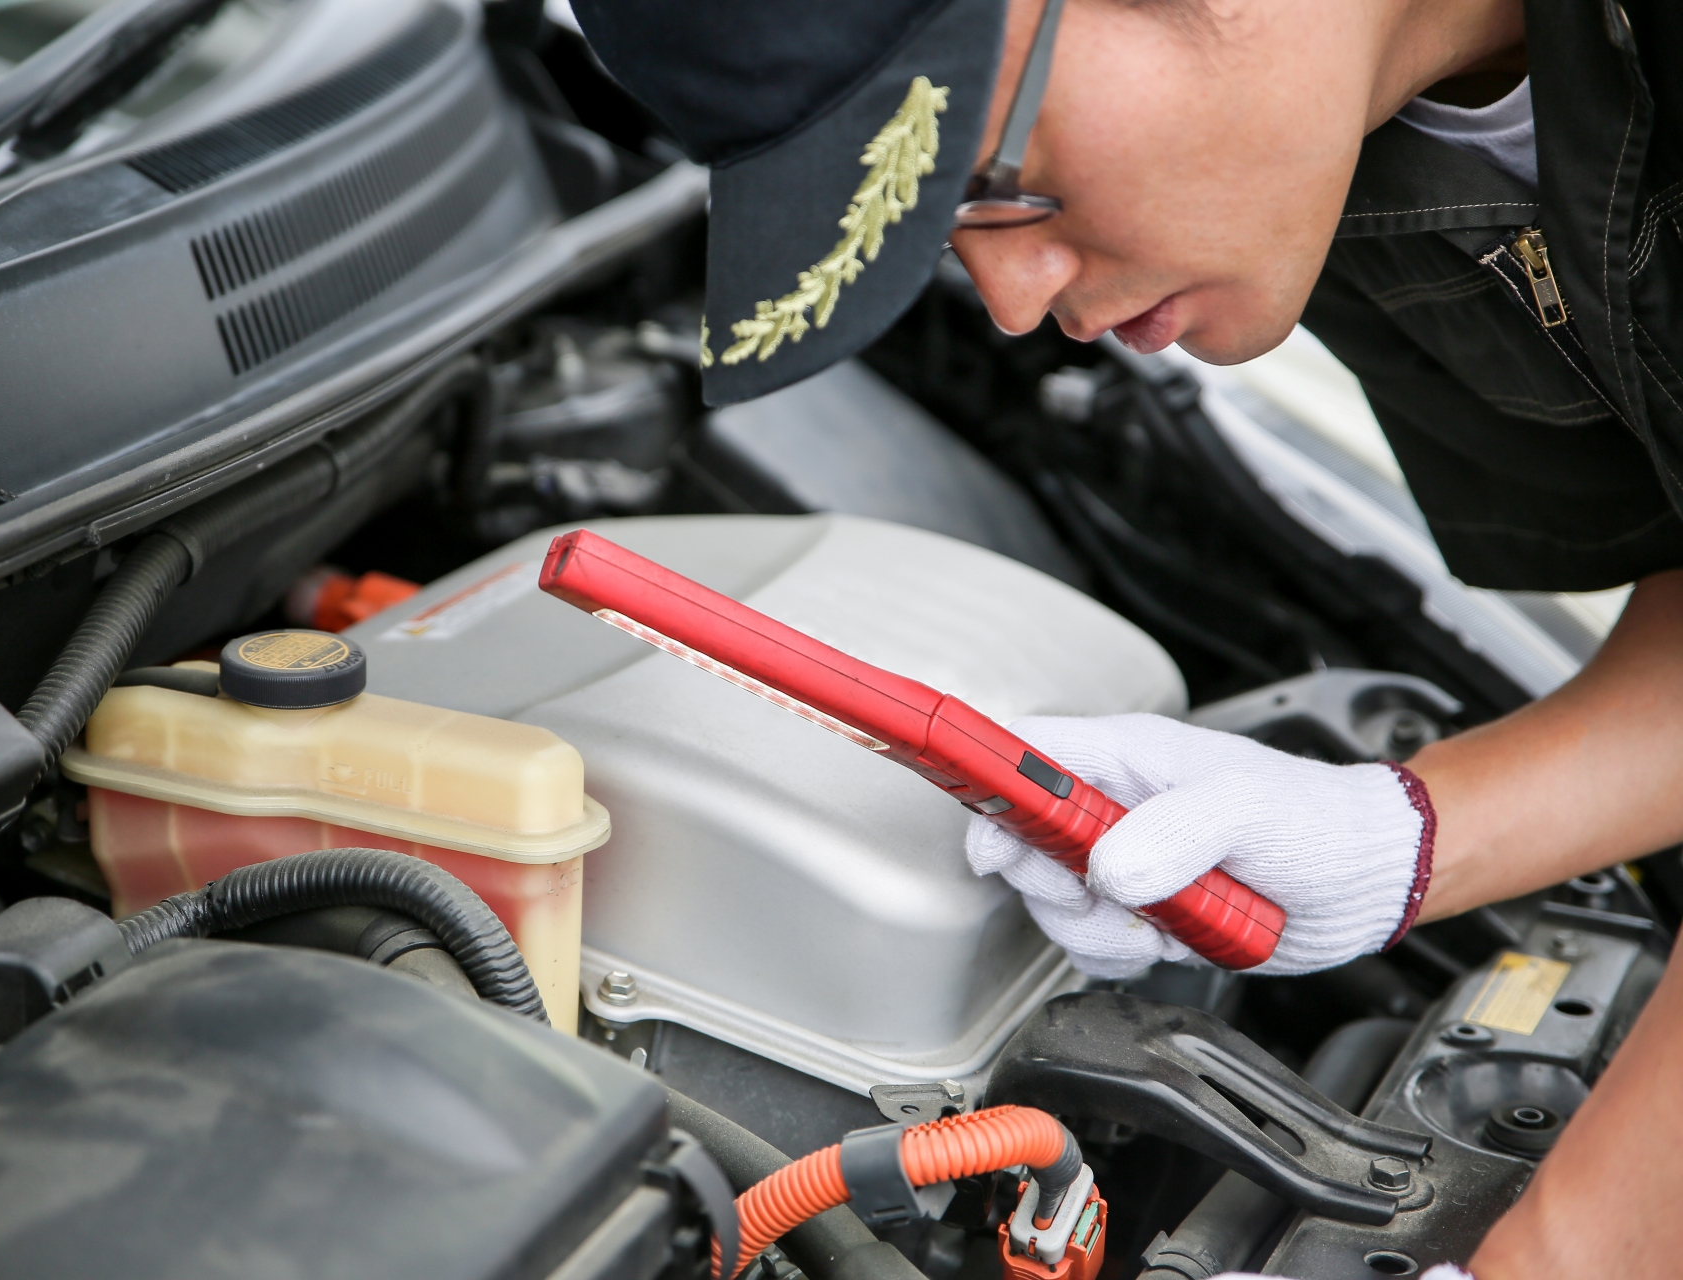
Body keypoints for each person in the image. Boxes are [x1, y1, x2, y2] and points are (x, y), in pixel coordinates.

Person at [569, 0, 1683, 1275]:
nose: (1010, 298)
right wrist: (1407, 837)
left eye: (1001, 184)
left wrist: (1562, 1249)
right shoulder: (1332, 157)